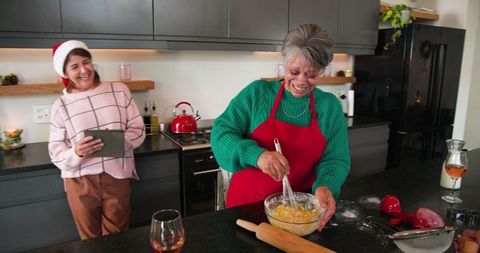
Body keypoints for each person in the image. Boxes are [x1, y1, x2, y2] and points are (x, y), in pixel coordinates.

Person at [211, 24, 350, 231]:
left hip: (302, 213)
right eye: (294, 71)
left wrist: (325, 185)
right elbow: (221, 133)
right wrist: (257, 156)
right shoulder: (257, 94)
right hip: (246, 210)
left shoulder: (329, 107)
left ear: (323, 70)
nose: (301, 81)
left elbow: (335, 158)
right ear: (284, 63)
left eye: (311, 74)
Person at [48, 40, 145, 239]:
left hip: (116, 174)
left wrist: (115, 143)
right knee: (89, 241)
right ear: (65, 73)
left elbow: (138, 130)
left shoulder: (119, 90)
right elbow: (56, 154)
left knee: (117, 238)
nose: (83, 70)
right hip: (79, 180)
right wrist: (76, 152)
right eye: (74, 66)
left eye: (86, 62)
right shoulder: (61, 105)